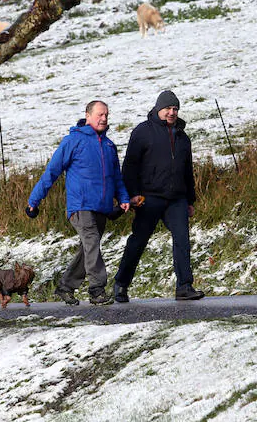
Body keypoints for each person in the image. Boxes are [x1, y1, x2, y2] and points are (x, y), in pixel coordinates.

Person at [27, 100, 131, 306]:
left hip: (101, 207)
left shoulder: (109, 146)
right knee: (92, 243)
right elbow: (52, 171)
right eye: (100, 114)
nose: (104, 118)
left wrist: (124, 198)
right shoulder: (73, 140)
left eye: (106, 115)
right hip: (80, 206)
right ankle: (97, 290)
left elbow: (116, 177)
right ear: (88, 115)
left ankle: (65, 287)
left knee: (88, 249)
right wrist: (34, 200)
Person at [113, 90, 205, 302]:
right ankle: (121, 284)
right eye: (168, 109)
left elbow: (187, 171)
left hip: (176, 199)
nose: (172, 113)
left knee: (182, 239)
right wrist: (132, 195)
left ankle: (184, 286)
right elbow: (130, 166)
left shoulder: (183, 138)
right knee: (139, 240)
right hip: (149, 198)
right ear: (158, 109)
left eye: (175, 109)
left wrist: (190, 200)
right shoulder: (143, 132)